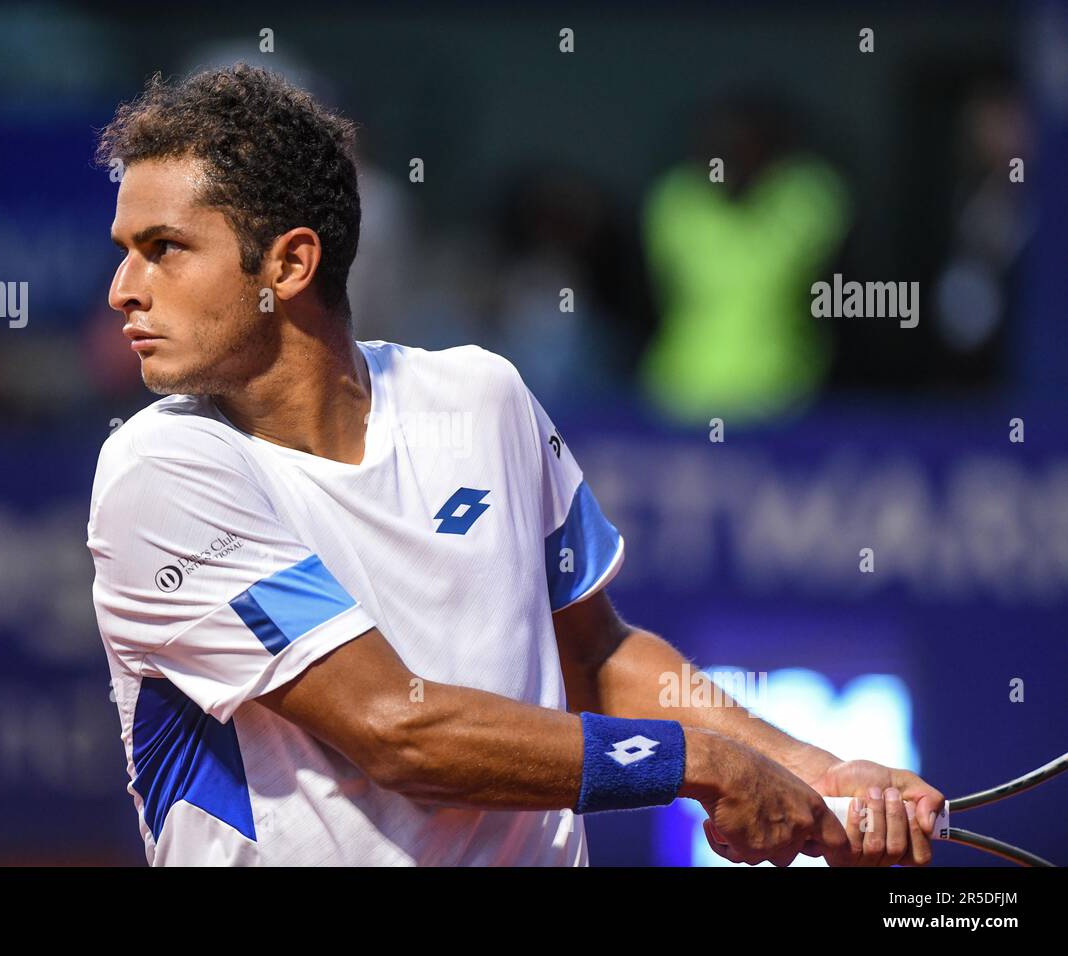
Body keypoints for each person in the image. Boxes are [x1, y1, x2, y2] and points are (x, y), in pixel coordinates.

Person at [87, 64, 943, 866]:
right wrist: (699, 764)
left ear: (290, 263)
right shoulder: (159, 471)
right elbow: (397, 730)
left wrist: (816, 768)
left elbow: (598, 657)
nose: (125, 287)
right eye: (128, 248)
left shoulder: (482, 395)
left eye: (164, 247)